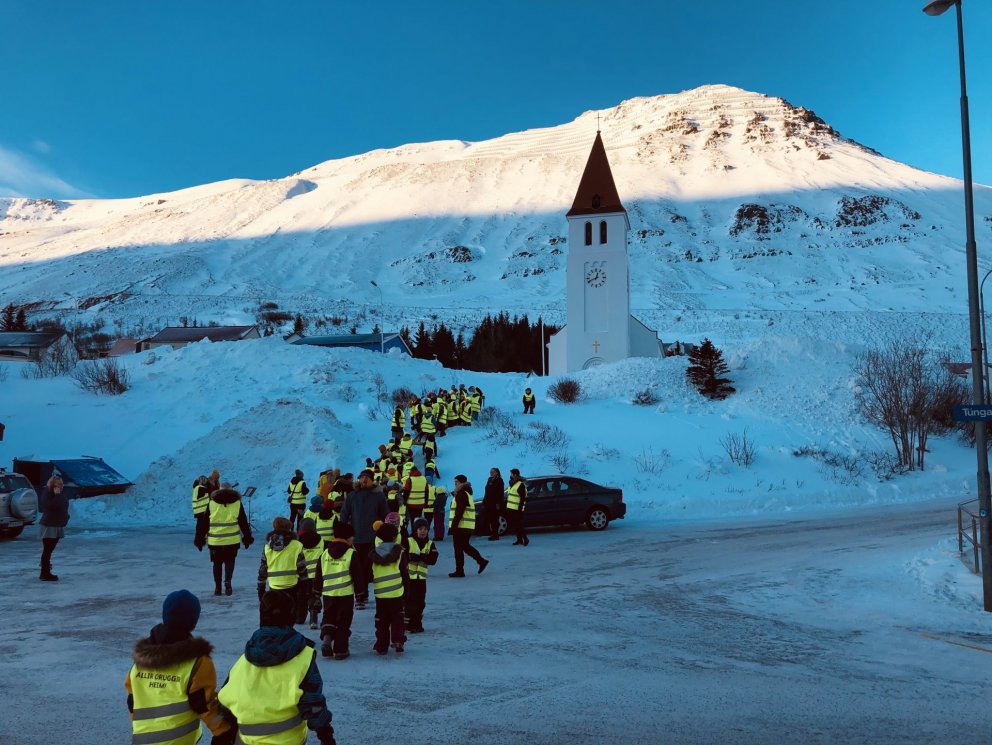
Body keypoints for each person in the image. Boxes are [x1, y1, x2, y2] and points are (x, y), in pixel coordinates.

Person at [218, 591, 336, 745]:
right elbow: (314, 705)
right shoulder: (304, 658)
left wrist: (222, 737)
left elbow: (225, 705)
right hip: (289, 740)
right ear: (291, 617)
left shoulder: (244, 660)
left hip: (247, 740)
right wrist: (326, 737)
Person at [126, 590, 233, 745]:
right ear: (193, 622)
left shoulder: (141, 659)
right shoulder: (197, 662)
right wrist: (222, 729)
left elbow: (132, 700)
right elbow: (205, 704)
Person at [339, 469, 388, 610]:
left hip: (373, 538)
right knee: (357, 569)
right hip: (356, 538)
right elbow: (344, 514)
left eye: (367, 477)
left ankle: (373, 595)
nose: (364, 480)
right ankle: (360, 596)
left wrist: (384, 533)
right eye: (362, 477)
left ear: (372, 480)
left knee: (370, 569)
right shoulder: (352, 496)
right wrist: (344, 532)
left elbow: (385, 514)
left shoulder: (378, 496)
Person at [195, 485, 253, 596]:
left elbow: (204, 524)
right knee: (230, 562)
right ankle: (228, 582)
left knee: (217, 563)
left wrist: (199, 539)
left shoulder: (211, 503)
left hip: (215, 541)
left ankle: (217, 587)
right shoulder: (237, 504)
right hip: (232, 540)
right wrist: (247, 538)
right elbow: (243, 522)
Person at [314, 521, 361, 660]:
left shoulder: (325, 553)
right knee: (343, 621)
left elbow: (318, 574)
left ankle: (327, 639)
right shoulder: (351, 553)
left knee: (328, 617)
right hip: (345, 594)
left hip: (328, 594)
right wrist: (360, 593)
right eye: (352, 537)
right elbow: (358, 575)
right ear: (347, 537)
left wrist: (316, 591)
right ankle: (340, 650)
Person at [370, 519, 407, 655]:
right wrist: (407, 590)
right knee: (398, 618)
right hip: (396, 591)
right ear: (394, 537)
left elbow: (369, 572)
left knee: (381, 620)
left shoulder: (374, 553)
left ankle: (381, 645)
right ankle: (398, 640)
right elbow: (404, 572)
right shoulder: (400, 553)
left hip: (380, 593)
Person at [257, 516, 306, 614]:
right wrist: (305, 585)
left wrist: (261, 587)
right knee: (289, 611)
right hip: (291, 584)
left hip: (274, 585)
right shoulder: (296, 545)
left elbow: (263, 568)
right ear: (289, 528)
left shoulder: (267, 547)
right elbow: (301, 567)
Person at [448, 474, 488, 577]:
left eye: (456, 482)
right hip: (465, 525)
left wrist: (454, 526)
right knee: (464, 546)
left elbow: (459, 511)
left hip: (461, 526)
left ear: (461, 483)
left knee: (458, 548)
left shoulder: (462, 494)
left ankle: (460, 570)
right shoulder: (465, 493)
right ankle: (481, 561)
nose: (455, 483)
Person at [405, 518, 438, 633]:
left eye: (425, 529)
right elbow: (403, 556)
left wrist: (422, 557)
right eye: (420, 529)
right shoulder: (408, 541)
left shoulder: (430, 543)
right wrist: (412, 557)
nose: (423, 531)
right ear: (415, 530)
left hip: (421, 579)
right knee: (410, 602)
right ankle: (409, 623)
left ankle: (417, 623)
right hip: (409, 578)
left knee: (420, 602)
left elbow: (433, 559)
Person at [38, 474, 68, 582]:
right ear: (53, 484)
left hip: (57, 524)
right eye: (58, 483)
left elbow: (63, 507)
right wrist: (57, 495)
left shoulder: (59, 493)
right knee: (47, 550)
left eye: (62, 483)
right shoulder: (48, 493)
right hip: (49, 525)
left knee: (49, 550)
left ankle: (45, 571)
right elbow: (51, 506)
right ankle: (44, 573)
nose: (61, 485)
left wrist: (66, 517)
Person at [298, 518, 324, 629]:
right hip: (317, 575)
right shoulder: (321, 540)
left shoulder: (297, 542)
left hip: (303, 575)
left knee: (302, 596)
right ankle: (313, 617)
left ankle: (300, 617)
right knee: (315, 596)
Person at [506, 468, 529, 546]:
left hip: (517, 509)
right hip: (511, 508)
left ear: (515, 475)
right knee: (516, 525)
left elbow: (523, 498)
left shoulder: (520, 485)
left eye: (511, 474)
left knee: (519, 525)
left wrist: (520, 509)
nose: (510, 475)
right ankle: (519, 539)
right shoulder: (511, 484)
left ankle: (525, 539)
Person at [403, 465, 429, 530]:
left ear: (411, 472)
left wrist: (404, 501)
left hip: (411, 504)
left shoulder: (410, 479)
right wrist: (426, 503)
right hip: (420, 504)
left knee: (412, 520)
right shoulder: (424, 479)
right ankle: (418, 533)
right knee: (418, 519)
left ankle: (414, 533)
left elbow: (406, 492)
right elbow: (426, 492)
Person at [482, 467, 505, 541]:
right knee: (489, 519)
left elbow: (500, 493)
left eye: (493, 472)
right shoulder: (489, 479)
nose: (491, 473)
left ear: (497, 473)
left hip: (494, 503)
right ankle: (491, 533)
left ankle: (495, 535)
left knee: (494, 519)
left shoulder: (499, 480)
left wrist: (498, 503)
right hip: (488, 503)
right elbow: (487, 491)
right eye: (490, 472)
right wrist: (484, 500)